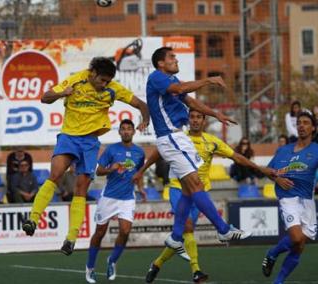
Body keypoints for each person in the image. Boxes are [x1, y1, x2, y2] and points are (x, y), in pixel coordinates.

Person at [22, 57, 150, 256]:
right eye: (102, 80)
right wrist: (62, 94)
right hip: (69, 137)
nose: (105, 84)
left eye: (108, 81)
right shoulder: (76, 80)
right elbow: (44, 97)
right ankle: (33, 219)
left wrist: (145, 119)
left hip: (90, 142)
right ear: (92, 73)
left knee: (81, 188)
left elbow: (142, 104)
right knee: (55, 175)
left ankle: (71, 238)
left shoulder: (113, 89)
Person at [133, 109, 274, 283]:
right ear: (188, 119)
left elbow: (237, 157)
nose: (195, 120)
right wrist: (141, 171)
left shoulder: (212, 141)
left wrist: (261, 169)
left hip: (199, 193)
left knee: (184, 232)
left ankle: (157, 263)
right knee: (188, 226)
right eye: (192, 117)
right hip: (178, 188)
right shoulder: (178, 138)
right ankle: (196, 271)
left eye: (199, 117)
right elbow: (157, 153)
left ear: (204, 121)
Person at [145, 47, 251, 256]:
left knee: (188, 189)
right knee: (196, 185)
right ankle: (223, 230)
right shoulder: (157, 77)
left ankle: (176, 237)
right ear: (160, 63)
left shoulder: (172, 80)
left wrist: (216, 114)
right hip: (170, 136)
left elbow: (191, 101)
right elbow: (179, 88)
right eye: (171, 57)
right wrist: (208, 80)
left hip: (177, 138)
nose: (175, 60)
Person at [262, 112, 318, 284]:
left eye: (306, 122)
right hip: (288, 197)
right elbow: (268, 171)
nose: (301, 125)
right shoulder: (283, 150)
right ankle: (272, 253)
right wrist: (277, 178)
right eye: (299, 123)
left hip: (308, 200)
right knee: (296, 238)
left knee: (299, 246)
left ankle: (278, 281)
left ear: (313, 127)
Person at [85, 119, 146, 283]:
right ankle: (90, 267)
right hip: (109, 197)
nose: (126, 131)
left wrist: (140, 188)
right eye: (123, 129)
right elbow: (98, 171)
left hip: (127, 198)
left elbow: (139, 172)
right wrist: (110, 169)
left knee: (125, 232)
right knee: (100, 233)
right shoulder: (111, 150)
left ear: (133, 132)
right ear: (119, 132)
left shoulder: (140, 152)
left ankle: (111, 261)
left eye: (129, 129)